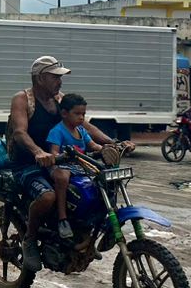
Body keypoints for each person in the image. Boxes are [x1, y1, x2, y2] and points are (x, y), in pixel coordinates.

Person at [9, 56, 133, 273]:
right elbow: (19, 132)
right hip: (29, 164)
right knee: (47, 196)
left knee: (95, 187)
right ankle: (29, 240)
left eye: (61, 77)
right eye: (55, 77)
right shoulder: (23, 99)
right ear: (40, 78)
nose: (60, 81)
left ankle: (83, 235)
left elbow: (85, 126)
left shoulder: (60, 100)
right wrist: (38, 152)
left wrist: (114, 143)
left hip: (61, 163)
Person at [45, 93, 103, 240]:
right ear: (64, 113)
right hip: (61, 166)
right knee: (62, 177)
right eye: (77, 114)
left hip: (79, 167)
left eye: (83, 114)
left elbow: (93, 145)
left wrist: (110, 147)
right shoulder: (57, 131)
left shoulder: (82, 131)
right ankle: (62, 218)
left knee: (102, 177)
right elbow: (53, 153)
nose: (81, 118)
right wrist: (61, 156)